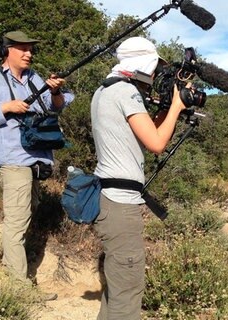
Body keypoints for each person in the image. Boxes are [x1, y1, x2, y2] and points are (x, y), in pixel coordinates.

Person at [0, 30, 74, 297]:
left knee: (26, 214)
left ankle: (14, 269)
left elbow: (57, 105)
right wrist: (6, 107)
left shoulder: (34, 78)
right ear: (6, 51)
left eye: (30, 49)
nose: (29, 53)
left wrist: (56, 90)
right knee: (16, 220)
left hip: (36, 158)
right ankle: (19, 287)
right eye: (22, 48)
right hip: (14, 160)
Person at [90, 36, 188, 319]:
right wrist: (177, 108)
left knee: (117, 292)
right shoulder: (125, 92)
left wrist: (164, 109)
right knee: (128, 293)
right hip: (121, 204)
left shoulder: (106, 89)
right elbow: (157, 144)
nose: (155, 75)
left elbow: (145, 135)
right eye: (155, 67)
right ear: (144, 63)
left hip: (109, 199)